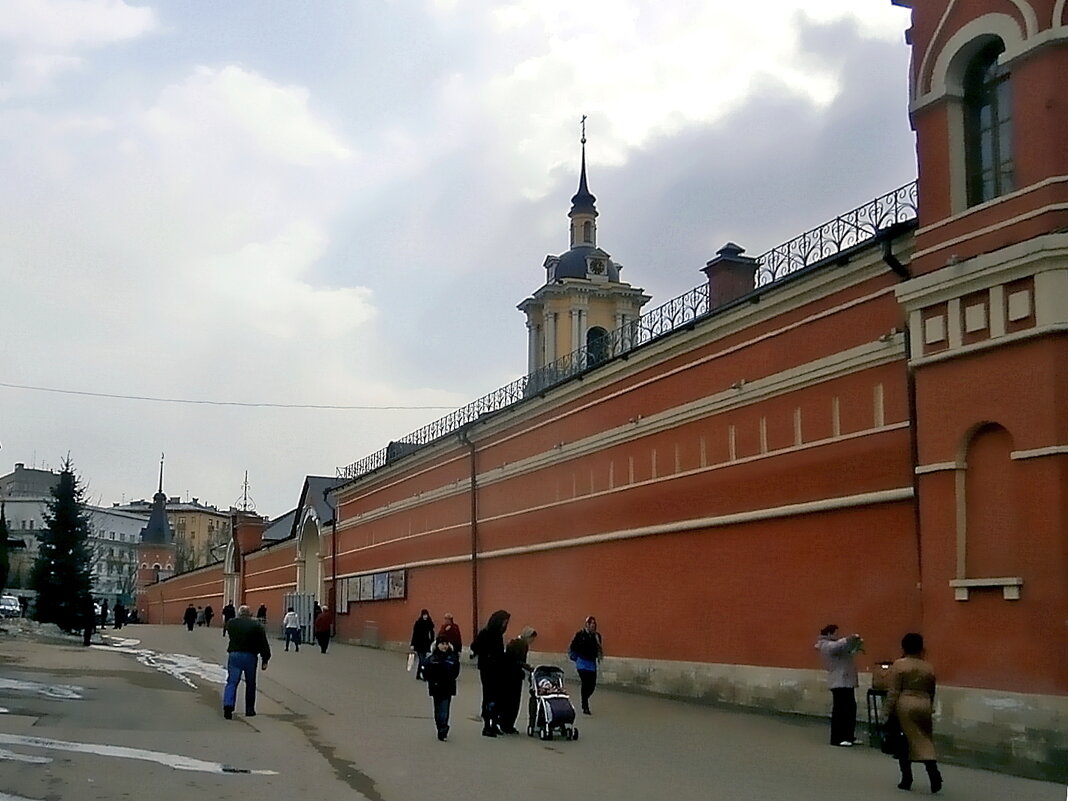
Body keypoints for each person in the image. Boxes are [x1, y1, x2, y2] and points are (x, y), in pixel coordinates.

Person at [884, 633, 942, 793]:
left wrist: (887, 710)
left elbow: (894, 690)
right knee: (925, 740)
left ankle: (906, 778)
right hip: (924, 703)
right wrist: (930, 706)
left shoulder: (900, 665)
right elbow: (932, 690)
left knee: (904, 742)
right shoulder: (928, 666)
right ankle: (933, 773)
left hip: (906, 703)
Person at [814, 624, 862, 746]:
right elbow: (837, 646)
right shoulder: (825, 644)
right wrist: (849, 639)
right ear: (829, 634)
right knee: (840, 710)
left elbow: (843, 649)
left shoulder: (833, 645)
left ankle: (848, 736)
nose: (837, 635)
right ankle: (838, 738)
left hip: (846, 680)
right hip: (839, 681)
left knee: (850, 709)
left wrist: (855, 645)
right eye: (835, 633)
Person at [222, 605, 271, 719]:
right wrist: (265, 658)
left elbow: (228, 630)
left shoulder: (232, 623)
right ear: (250, 614)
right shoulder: (256, 625)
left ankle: (228, 706)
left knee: (232, 682)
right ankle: (249, 709)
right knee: (250, 683)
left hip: (234, 655)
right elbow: (263, 643)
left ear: (239, 613)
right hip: (250, 656)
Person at [470, 609, 510, 737]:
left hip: (498, 669)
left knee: (497, 697)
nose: (505, 625)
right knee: (489, 696)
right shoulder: (485, 633)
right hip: (487, 670)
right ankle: (487, 725)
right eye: (504, 622)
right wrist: (487, 655)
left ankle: (494, 724)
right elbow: (474, 646)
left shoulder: (498, 634)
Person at [500, 626, 537, 734]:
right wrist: (528, 667)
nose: (532, 641)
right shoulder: (521, 645)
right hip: (514, 676)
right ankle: (508, 725)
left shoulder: (515, 643)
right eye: (532, 638)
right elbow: (517, 661)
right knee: (513, 702)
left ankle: (504, 723)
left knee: (508, 701)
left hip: (508, 675)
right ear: (527, 636)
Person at [422, 635, 460, 741]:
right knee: (438, 710)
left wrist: (449, 676)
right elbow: (425, 671)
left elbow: (456, 671)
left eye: (446, 644)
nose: (444, 646)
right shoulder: (432, 658)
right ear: (437, 645)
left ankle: (443, 730)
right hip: (435, 687)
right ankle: (440, 726)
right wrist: (429, 678)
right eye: (442, 644)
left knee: (444, 710)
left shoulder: (452, 657)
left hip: (447, 687)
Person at [569, 616, 603, 715]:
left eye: (594, 624)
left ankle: (585, 697)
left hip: (592, 663)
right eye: (591, 623)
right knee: (585, 682)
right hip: (582, 663)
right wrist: (575, 657)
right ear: (587, 624)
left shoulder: (597, 636)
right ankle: (585, 705)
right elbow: (573, 646)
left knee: (592, 685)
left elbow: (599, 648)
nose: (593, 626)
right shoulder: (580, 635)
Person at [410, 609, 436, 681]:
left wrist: (432, 642)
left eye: (426, 615)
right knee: (422, 660)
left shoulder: (429, 623)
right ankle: (423, 674)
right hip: (419, 644)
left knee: (422, 660)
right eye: (424, 615)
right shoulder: (418, 623)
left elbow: (432, 633)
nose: (425, 616)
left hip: (426, 644)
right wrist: (412, 644)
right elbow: (414, 634)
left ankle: (418, 674)